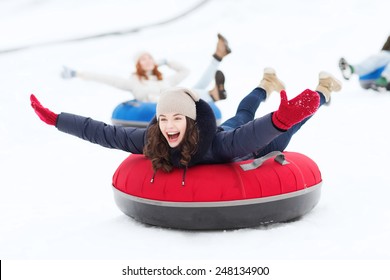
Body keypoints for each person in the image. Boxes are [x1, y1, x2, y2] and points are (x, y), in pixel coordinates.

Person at [30, 68, 341, 185]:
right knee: (243, 113)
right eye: (164, 119)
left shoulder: (217, 146)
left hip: (255, 144)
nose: (169, 125)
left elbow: (249, 136)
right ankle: (266, 82)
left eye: (177, 118)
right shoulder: (153, 141)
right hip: (229, 132)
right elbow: (105, 133)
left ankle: (323, 90)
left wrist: (278, 121)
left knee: (276, 120)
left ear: (190, 121)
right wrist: (58, 119)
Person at [61, 34, 231, 102]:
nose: (148, 60)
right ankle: (212, 94)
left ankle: (218, 55)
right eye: (143, 59)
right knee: (193, 91)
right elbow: (107, 78)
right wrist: (78, 73)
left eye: (150, 57)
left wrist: (166, 61)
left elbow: (185, 71)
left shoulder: (164, 79)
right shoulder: (134, 81)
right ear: (138, 65)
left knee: (197, 86)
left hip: (179, 99)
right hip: (165, 107)